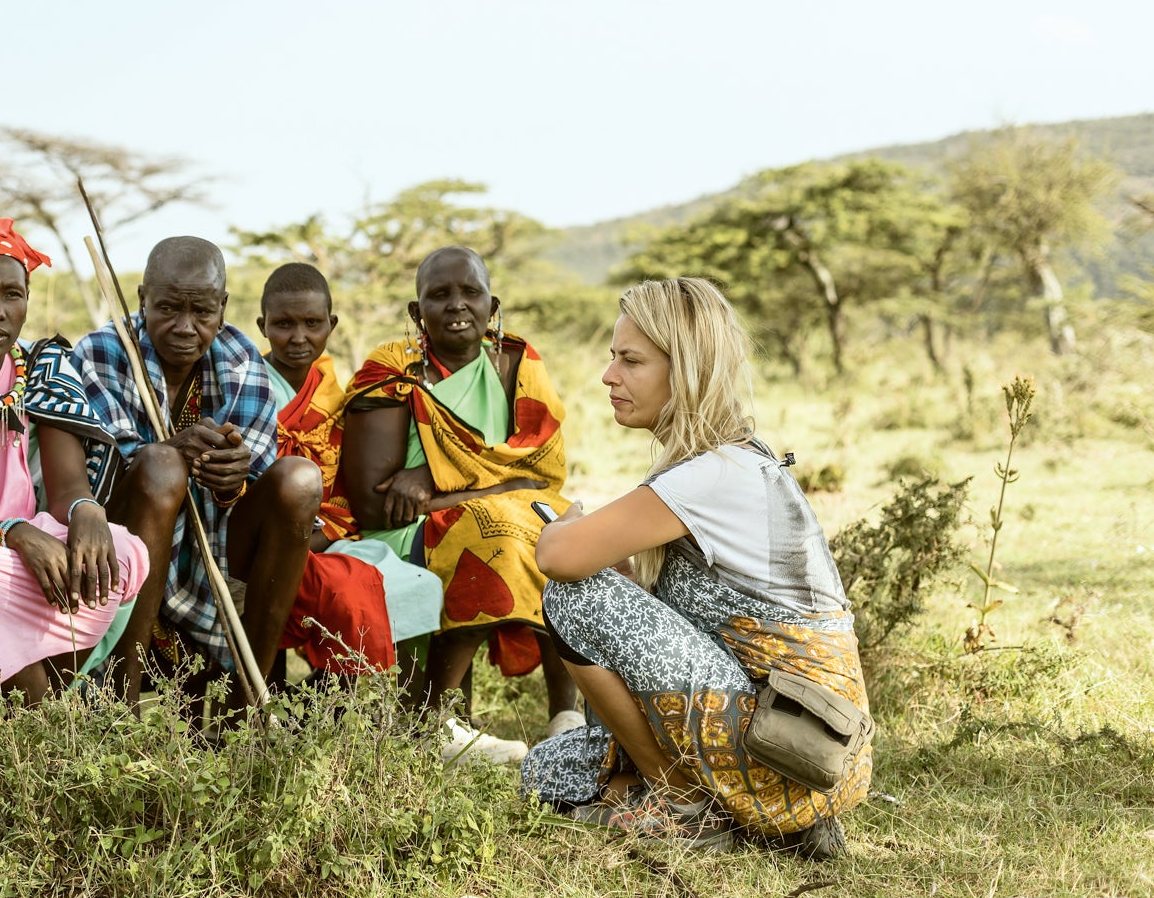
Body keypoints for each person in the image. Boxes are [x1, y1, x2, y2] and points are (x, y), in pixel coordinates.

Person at [520, 277, 870, 857]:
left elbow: (560, 558)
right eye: (613, 357)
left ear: (685, 370)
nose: (609, 376)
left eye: (630, 360)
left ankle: (681, 805)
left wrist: (565, 521)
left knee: (575, 597)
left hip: (792, 745)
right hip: (788, 741)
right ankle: (758, 819)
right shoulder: (727, 459)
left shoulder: (714, 472)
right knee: (545, 772)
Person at [337, 246, 581, 733]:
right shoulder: (392, 376)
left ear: (493, 306)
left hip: (483, 511)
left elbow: (542, 477)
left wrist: (437, 480)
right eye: (439, 294)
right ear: (416, 311)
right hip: (404, 532)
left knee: (571, 535)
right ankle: (442, 721)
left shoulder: (518, 365)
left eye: (471, 292)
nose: (456, 305)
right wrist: (498, 489)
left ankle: (567, 714)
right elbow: (375, 508)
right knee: (494, 535)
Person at [73, 236, 322, 709]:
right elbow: (109, 474)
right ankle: (117, 707)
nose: (186, 327)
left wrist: (236, 475)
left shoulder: (241, 357)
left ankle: (249, 701)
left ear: (223, 306)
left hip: (219, 542)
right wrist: (173, 453)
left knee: (300, 480)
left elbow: (258, 470)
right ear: (142, 297)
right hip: (123, 537)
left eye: (202, 312)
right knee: (161, 465)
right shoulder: (102, 352)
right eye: (168, 308)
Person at [0, 215, 150, 699]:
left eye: (12, 294)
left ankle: (41, 694)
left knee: (123, 552)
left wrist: (87, 510)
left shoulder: (40, 367)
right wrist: (11, 533)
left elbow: (69, 487)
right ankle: (39, 716)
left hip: (25, 543)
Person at [257, 262, 441, 677]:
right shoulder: (246, 387)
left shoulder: (336, 395)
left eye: (312, 323)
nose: (299, 337)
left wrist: (318, 537)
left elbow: (347, 486)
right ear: (262, 325)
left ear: (331, 324)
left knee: (408, 584)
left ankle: (354, 705)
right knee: (346, 588)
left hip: (322, 536)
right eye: (284, 324)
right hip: (259, 541)